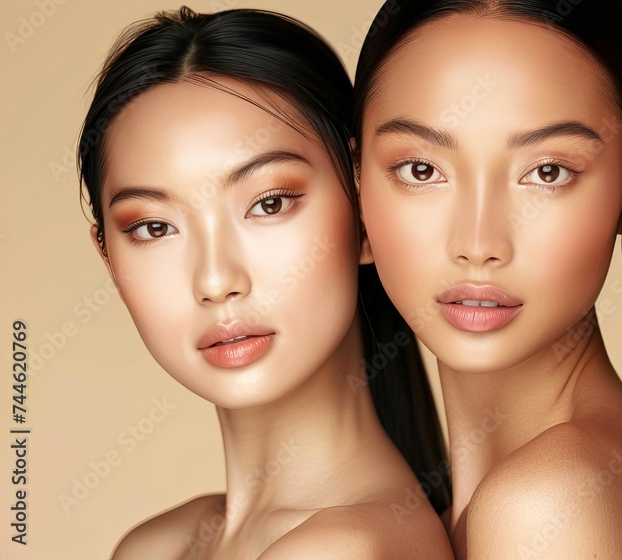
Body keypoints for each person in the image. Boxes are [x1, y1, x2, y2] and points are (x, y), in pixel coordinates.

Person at [78, 7, 452, 558]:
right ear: (108, 256)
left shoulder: (351, 547)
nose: (215, 279)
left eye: (269, 203)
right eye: (154, 227)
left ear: (366, 206)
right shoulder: (155, 546)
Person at [353, 1, 622, 557]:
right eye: (422, 170)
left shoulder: (551, 503)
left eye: (547, 172)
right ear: (356, 188)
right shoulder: (485, 512)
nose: (478, 244)